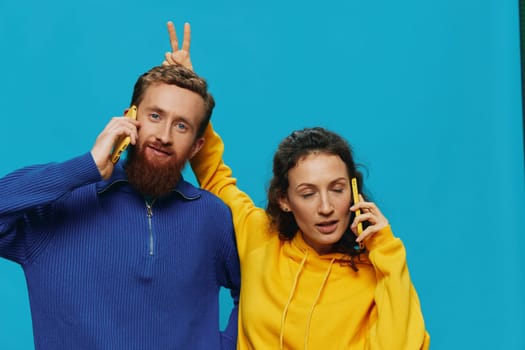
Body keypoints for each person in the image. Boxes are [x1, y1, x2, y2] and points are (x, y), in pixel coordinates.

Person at [164, 22, 430, 349]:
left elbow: (405, 344)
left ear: (354, 193)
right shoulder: (259, 238)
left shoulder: (373, 274)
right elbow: (214, 172)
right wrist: (190, 93)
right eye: (308, 193)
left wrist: (387, 250)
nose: (326, 207)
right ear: (285, 199)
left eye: (337, 189)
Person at [0, 64, 240, 349]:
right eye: (155, 116)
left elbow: (255, 289)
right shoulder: (63, 205)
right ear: (130, 118)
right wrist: (85, 166)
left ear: (196, 146)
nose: (164, 136)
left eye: (181, 125)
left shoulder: (212, 217)